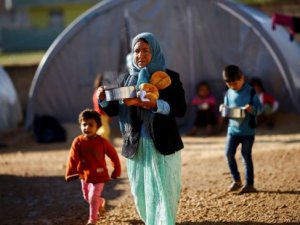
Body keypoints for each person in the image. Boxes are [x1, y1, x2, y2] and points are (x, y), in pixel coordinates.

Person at [97, 32, 186, 225]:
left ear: (155, 51)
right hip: (136, 145)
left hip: (163, 143)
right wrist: (102, 98)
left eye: (146, 50)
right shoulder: (126, 79)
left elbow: (180, 108)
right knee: (141, 191)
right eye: (137, 51)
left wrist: (156, 105)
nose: (140, 55)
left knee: (164, 188)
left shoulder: (169, 77)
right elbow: (112, 109)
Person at [65, 109, 121, 225]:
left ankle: (93, 219)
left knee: (92, 196)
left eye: (91, 125)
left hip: (99, 175)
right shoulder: (78, 142)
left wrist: (116, 169)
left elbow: (113, 155)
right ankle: (100, 202)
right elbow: (73, 158)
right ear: (80, 125)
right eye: (84, 124)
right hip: (84, 175)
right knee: (87, 196)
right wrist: (70, 173)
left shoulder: (102, 142)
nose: (87, 127)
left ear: (98, 126)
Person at [220, 65, 262, 194]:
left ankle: (249, 184)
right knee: (228, 154)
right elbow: (226, 109)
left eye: (235, 83)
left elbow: (260, 109)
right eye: (230, 84)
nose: (233, 86)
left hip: (247, 131)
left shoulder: (250, 91)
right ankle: (236, 180)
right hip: (233, 130)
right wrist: (223, 109)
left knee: (245, 156)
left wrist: (252, 109)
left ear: (242, 78)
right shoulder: (228, 92)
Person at [93, 74, 112, 140]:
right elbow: (101, 106)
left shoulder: (96, 92)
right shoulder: (100, 92)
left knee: (104, 131)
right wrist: (107, 115)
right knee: (105, 131)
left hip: (99, 114)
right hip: (101, 114)